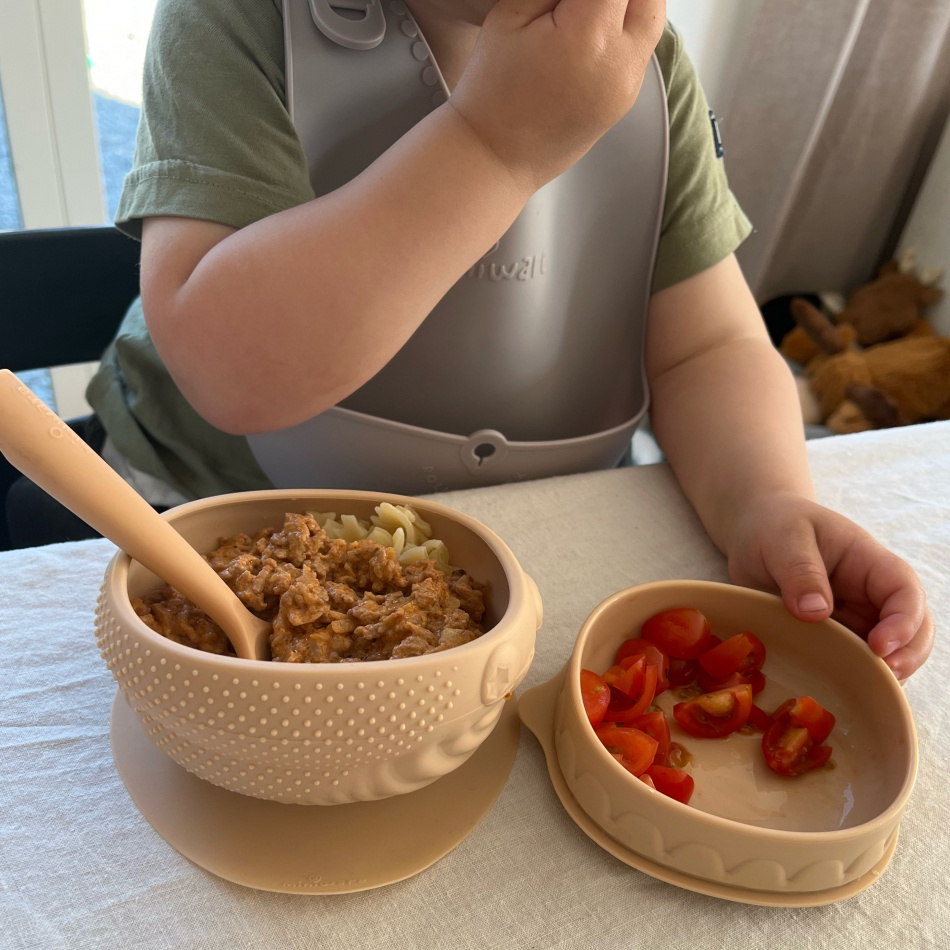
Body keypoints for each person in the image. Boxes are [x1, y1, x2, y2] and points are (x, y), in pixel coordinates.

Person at [72, 0, 933, 679]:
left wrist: (765, 501)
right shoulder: (232, 18)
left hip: (524, 541)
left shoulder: (646, 59)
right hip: (208, 518)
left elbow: (705, 348)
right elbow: (232, 375)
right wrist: (495, 144)